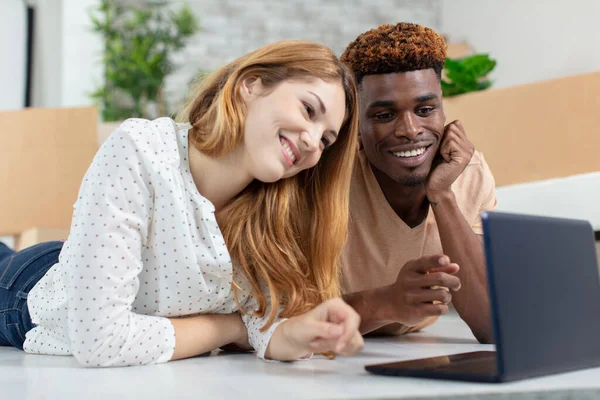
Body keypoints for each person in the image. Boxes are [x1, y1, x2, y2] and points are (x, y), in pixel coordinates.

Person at [0, 40, 364, 367]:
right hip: (28, 296)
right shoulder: (142, 150)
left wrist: (299, 333)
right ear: (250, 85)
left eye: (326, 140)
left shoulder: (273, 214)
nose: (313, 142)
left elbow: (262, 328)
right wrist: (229, 328)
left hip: (85, 269)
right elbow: (100, 342)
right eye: (308, 110)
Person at [339, 23, 497, 344]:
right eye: (384, 115)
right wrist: (386, 302)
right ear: (356, 123)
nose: (410, 130)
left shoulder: (470, 172)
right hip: (326, 359)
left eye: (425, 110)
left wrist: (442, 194)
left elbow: (492, 325)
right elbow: (278, 315)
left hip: (408, 351)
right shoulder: (327, 177)